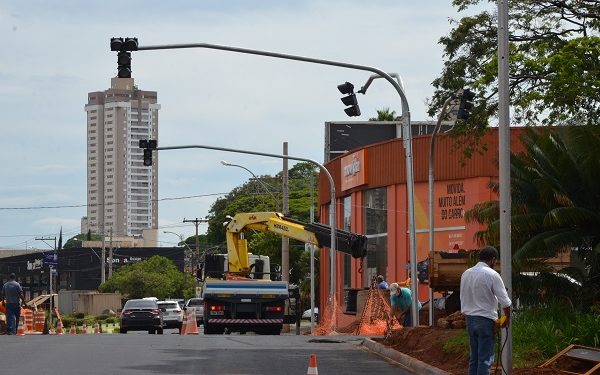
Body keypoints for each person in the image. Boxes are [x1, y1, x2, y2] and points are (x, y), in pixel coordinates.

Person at [460, 246, 512, 375]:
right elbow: (505, 302)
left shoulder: (466, 273)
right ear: (493, 260)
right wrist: (507, 319)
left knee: (475, 359)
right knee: (485, 360)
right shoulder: (492, 274)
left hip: (470, 320)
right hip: (485, 321)